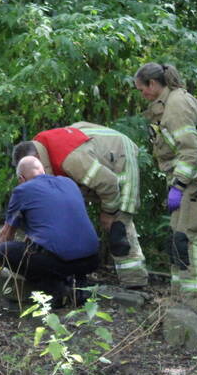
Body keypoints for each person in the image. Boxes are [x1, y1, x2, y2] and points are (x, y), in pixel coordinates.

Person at [12, 123, 148, 289]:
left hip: (120, 159)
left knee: (118, 225)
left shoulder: (71, 159)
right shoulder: (43, 150)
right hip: (97, 160)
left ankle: (134, 285)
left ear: (37, 161)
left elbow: (108, 182)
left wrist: (108, 212)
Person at [134, 62, 197, 312]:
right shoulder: (172, 102)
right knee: (176, 237)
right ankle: (178, 296)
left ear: (153, 84)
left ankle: (195, 305)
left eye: (143, 90)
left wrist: (179, 185)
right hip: (188, 181)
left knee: (188, 239)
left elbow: (190, 151)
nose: (143, 95)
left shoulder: (177, 106)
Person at [0, 156, 101, 306]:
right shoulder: (68, 182)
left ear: (21, 178)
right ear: (43, 171)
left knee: (5, 250)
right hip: (92, 259)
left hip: (61, 262)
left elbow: (6, 234)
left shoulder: (22, 190)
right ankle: (79, 283)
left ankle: (58, 291)